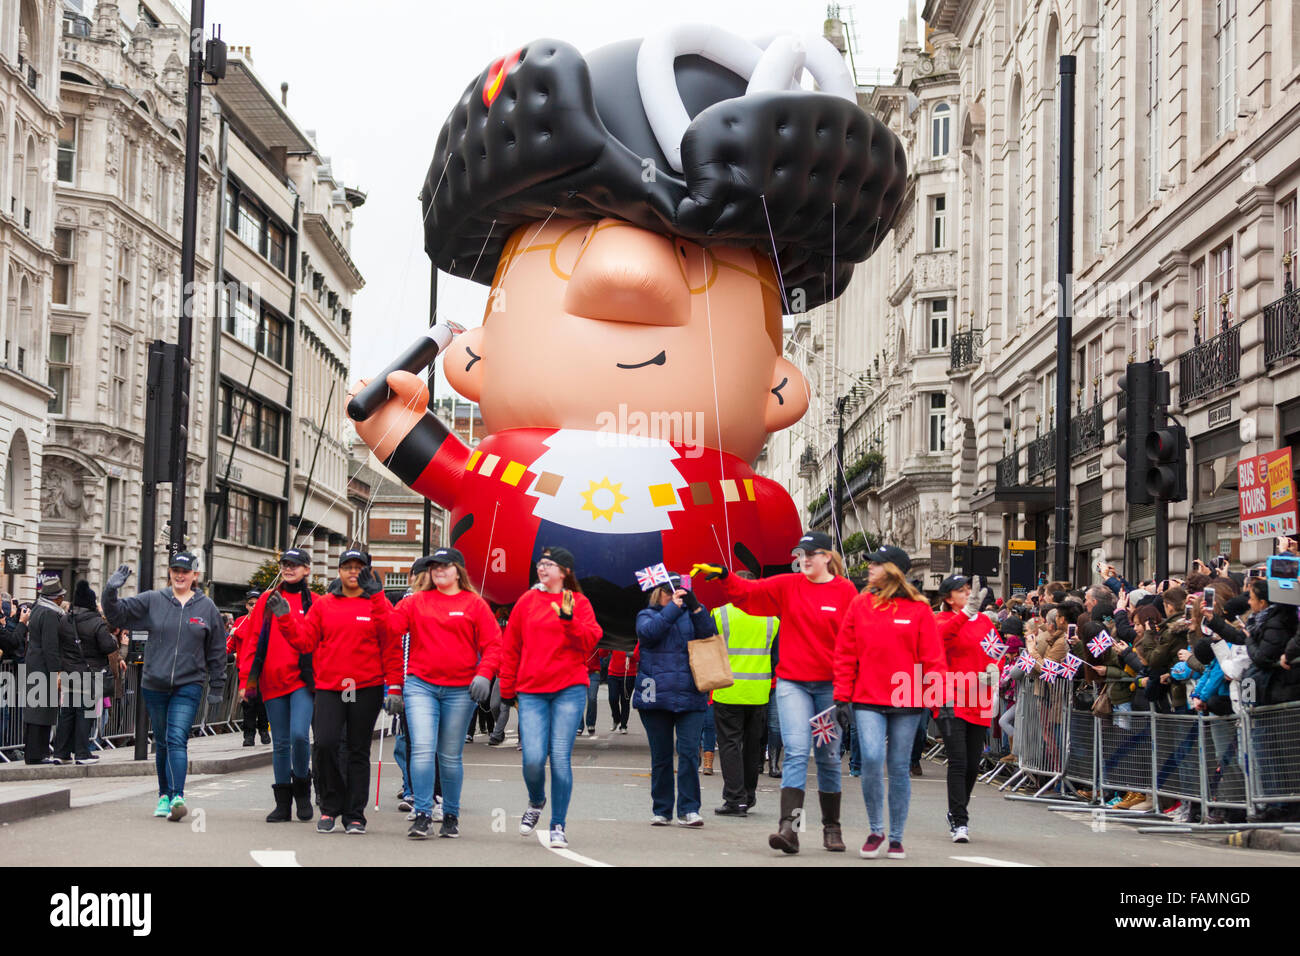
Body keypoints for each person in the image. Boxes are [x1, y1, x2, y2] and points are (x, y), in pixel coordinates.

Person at [693, 530, 860, 855]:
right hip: (793, 683)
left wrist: (845, 694)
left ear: (827, 556)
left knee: (826, 756)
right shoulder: (788, 585)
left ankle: (831, 827)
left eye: (810, 554)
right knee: (797, 751)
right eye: (800, 554)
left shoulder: (845, 592)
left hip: (828, 688)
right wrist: (725, 576)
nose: (804, 559)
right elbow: (750, 592)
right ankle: (790, 829)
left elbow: (852, 644)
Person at [833, 547, 945, 860]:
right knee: (870, 757)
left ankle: (896, 837)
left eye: (876, 564)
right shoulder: (859, 604)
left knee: (898, 767)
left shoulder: (920, 610)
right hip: (867, 697)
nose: (869, 568)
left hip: (906, 699)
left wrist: (937, 702)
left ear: (893, 570)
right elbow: (845, 653)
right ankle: (875, 829)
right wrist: (842, 695)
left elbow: (933, 659)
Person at [278, 549, 400, 834]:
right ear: (339, 571)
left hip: (365, 686)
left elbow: (392, 642)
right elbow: (305, 642)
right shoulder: (324, 605)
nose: (353, 572)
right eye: (348, 567)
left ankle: (354, 813)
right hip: (332, 686)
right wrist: (285, 619)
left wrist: (394, 686)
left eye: (360, 567)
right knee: (326, 743)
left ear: (368, 571)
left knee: (357, 749)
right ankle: (330, 807)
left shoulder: (377, 604)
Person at [102, 553, 226, 821]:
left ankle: (178, 796)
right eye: (175, 570)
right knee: (161, 742)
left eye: (185, 571)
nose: (179, 575)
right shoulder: (152, 601)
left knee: (176, 738)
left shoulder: (207, 608)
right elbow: (116, 613)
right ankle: (164, 795)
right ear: (169, 572)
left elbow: (217, 649)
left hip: (189, 684)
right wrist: (110, 590)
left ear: (195, 575)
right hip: (155, 684)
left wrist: (217, 684)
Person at [390, 547, 501, 839]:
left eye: (446, 565)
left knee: (449, 756)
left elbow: (493, 645)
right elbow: (389, 629)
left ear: (459, 570)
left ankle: (451, 814)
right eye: (434, 566)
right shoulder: (415, 602)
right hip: (420, 685)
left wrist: (484, 674)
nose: (439, 570)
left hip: (460, 690)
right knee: (424, 751)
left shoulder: (475, 604)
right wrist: (376, 598)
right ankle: (424, 813)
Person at [499, 546, 602, 849]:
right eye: (540, 564)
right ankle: (536, 800)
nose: (542, 568)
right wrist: (507, 687)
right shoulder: (527, 601)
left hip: (569, 688)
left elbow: (591, 642)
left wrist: (569, 622)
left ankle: (559, 824)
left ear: (565, 571)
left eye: (549, 564)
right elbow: (511, 646)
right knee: (532, 758)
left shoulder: (578, 602)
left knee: (559, 758)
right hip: (531, 690)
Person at [635, 573, 716, 827]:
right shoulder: (646, 615)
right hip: (655, 695)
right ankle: (662, 809)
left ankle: (690, 809)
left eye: (679, 591)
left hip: (690, 693)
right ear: (658, 593)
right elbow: (649, 634)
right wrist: (673, 608)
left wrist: (696, 607)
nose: (675, 595)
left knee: (690, 753)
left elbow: (709, 635)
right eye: (669, 591)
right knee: (661, 756)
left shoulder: (693, 614)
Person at [243, 548, 317, 824]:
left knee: (300, 735)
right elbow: (252, 640)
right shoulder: (267, 599)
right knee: (281, 743)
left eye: (295, 565)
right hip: (271, 680)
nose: (288, 568)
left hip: (302, 681)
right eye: (285, 564)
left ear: (307, 569)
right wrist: (246, 682)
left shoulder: (316, 602)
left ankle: (302, 790)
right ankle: (282, 804)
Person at [933, 575, 998, 843]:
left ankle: (956, 811)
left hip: (978, 699)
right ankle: (960, 821)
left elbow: (996, 651)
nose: (969, 594)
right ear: (949, 598)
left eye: (969, 589)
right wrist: (965, 614)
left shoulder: (984, 621)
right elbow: (939, 638)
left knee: (973, 763)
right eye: (962, 591)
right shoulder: (940, 619)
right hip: (950, 698)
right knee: (958, 760)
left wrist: (996, 669)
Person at [710, 571, 777, 816]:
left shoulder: (720, 614)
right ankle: (748, 795)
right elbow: (775, 656)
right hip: (759, 692)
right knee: (752, 747)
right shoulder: (772, 618)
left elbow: (711, 649)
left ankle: (734, 798)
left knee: (729, 745)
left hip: (727, 690)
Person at [53, 581, 120, 764]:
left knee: (67, 713)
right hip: (91, 674)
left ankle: (61, 753)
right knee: (86, 713)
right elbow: (107, 646)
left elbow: (60, 645)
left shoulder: (66, 619)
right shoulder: (96, 621)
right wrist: (114, 641)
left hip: (69, 673)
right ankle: (82, 753)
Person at [21, 579, 68, 764]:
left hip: (35, 664)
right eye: (60, 596)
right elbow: (51, 646)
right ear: (55, 598)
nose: (62, 598)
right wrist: (56, 672)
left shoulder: (38, 609)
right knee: (43, 712)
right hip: (44, 668)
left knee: (35, 711)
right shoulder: (49, 614)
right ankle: (38, 754)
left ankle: (34, 753)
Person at [228, 590, 270, 747]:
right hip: (245, 668)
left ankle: (264, 730)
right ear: (246, 605)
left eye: (257, 603)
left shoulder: (265, 621)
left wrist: (237, 632)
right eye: (250, 604)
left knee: (261, 701)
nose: (253, 607)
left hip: (262, 668)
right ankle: (249, 735)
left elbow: (256, 636)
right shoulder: (240, 620)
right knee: (247, 703)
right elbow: (230, 643)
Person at [603, 644, 639, 734]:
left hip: (629, 674)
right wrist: (604, 643)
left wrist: (632, 654)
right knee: (612, 698)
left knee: (625, 701)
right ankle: (616, 719)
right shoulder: (615, 638)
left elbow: (638, 657)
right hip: (613, 673)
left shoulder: (634, 639)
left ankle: (623, 725)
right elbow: (603, 653)